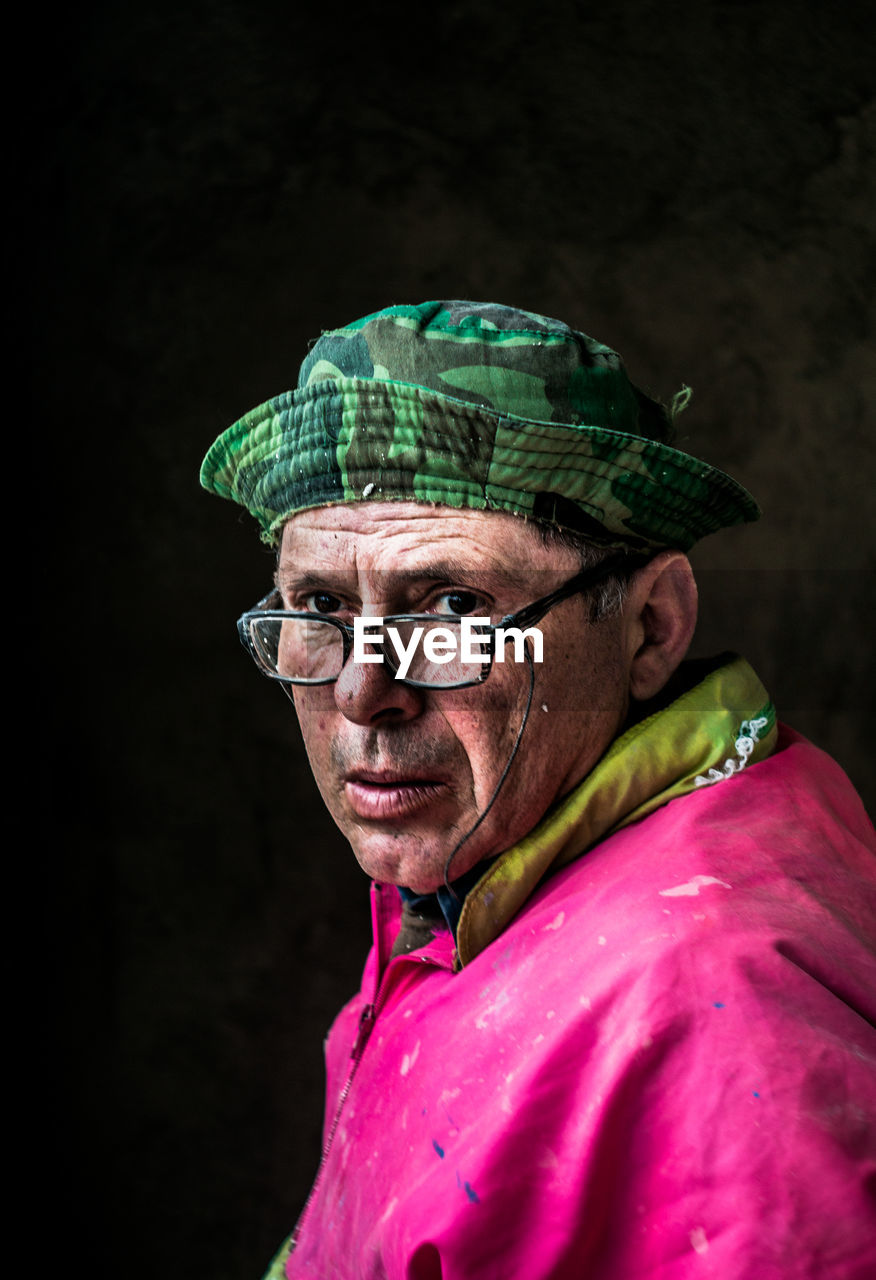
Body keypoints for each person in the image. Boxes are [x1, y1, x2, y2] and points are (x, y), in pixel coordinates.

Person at [201, 301, 875, 1279]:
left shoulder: (712, 1019)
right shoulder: (486, 868)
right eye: (319, 606)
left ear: (649, 626)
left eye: (453, 605)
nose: (360, 692)